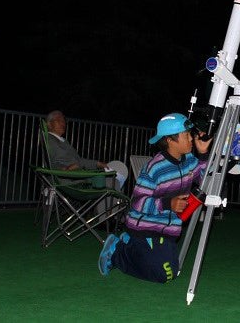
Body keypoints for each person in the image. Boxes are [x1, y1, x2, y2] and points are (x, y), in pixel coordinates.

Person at [97, 112, 211, 283]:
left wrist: (202, 154)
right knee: (164, 274)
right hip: (145, 227)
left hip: (169, 229)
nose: (191, 139)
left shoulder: (188, 160)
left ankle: (134, 247)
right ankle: (118, 252)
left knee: (172, 270)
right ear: (170, 140)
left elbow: (205, 181)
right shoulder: (154, 168)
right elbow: (137, 202)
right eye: (186, 135)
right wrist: (167, 203)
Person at [45, 110, 125, 189]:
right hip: (69, 180)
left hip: (78, 176)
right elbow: (67, 162)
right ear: (49, 124)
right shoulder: (50, 140)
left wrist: (97, 164)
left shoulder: (63, 141)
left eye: (63, 120)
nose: (63, 123)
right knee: (112, 182)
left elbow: (78, 161)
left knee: (114, 179)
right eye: (58, 120)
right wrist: (91, 165)